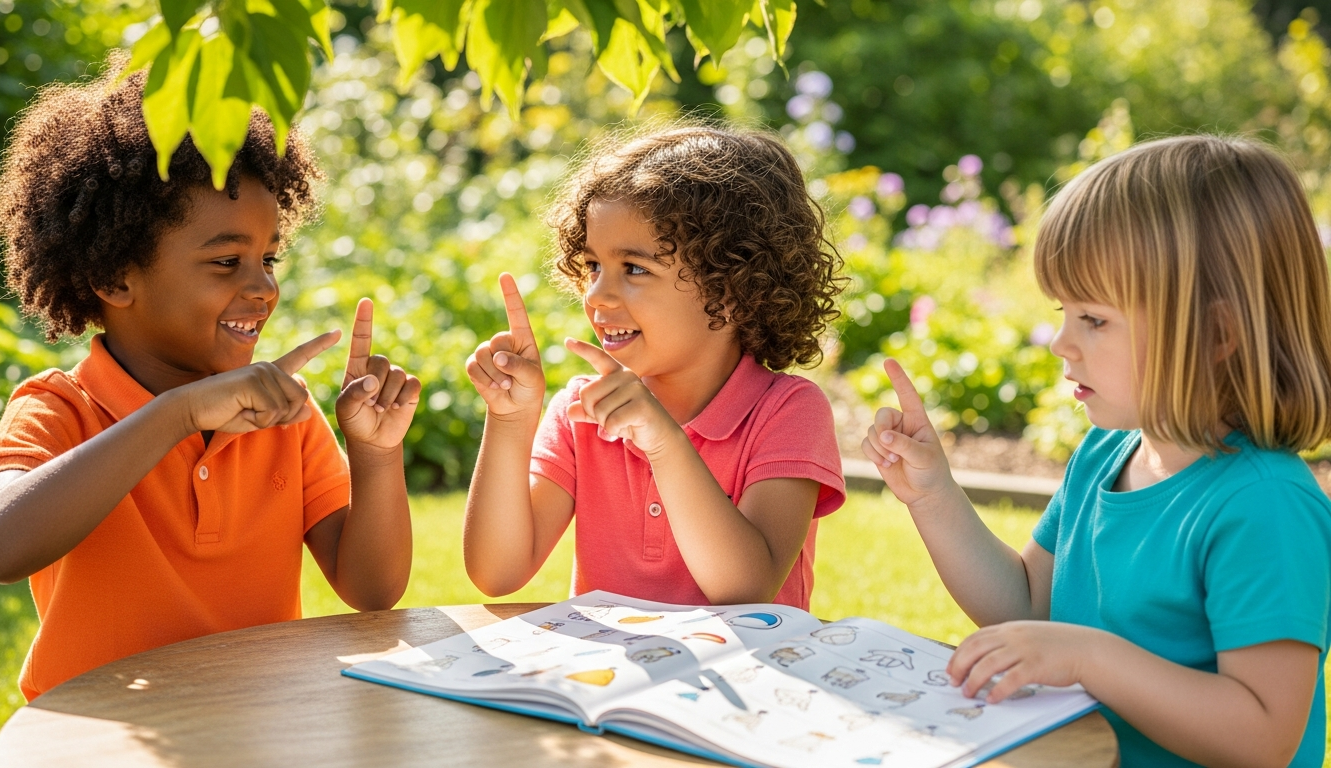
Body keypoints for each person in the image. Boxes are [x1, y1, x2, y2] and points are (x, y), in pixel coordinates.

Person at [864, 135, 1331, 767]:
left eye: (1095, 320)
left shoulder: (1264, 505)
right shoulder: (1105, 452)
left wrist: (1088, 656)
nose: (1061, 342)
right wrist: (932, 495)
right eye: (1063, 312)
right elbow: (1027, 602)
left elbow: (1263, 737)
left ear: (1217, 334)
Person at [0, 54, 420, 701]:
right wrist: (177, 413)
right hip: (91, 743)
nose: (264, 286)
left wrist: (376, 455)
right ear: (115, 277)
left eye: (268, 257)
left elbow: (373, 590)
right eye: (227, 260)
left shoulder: (283, 416)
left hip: (254, 729)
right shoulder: (59, 409)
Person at [463, 125, 848, 610]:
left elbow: (747, 589)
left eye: (635, 269)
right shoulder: (581, 413)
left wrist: (664, 443)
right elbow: (496, 573)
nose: (596, 294)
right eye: (593, 265)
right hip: (613, 684)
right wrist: (509, 420)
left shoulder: (788, 411)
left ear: (731, 290)